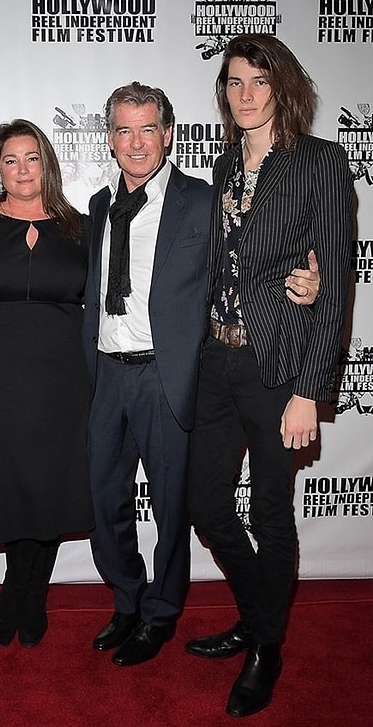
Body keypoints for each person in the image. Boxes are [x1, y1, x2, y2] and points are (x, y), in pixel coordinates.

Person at [82, 81, 321, 669]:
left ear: (168, 134)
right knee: (105, 501)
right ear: (109, 138)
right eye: (124, 130)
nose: (137, 142)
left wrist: (307, 279)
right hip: (107, 374)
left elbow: (249, 260)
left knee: (172, 509)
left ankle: (160, 614)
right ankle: (127, 600)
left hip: (167, 377)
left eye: (148, 129)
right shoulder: (98, 205)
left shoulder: (203, 199)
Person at [184, 36, 353, 717]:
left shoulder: (320, 162)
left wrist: (309, 390)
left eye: (259, 81)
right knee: (205, 504)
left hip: (277, 367)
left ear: (283, 88)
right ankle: (262, 618)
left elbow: (335, 288)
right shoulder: (224, 164)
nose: (246, 94)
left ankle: (265, 649)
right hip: (216, 360)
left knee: (270, 511)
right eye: (234, 82)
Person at [0, 119, 94, 648]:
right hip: (0, 380)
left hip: (65, 381)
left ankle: (33, 592)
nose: (23, 169)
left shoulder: (82, 227)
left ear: (47, 163)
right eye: (10, 160)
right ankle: (16, 584)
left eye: (32, 157)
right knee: (12, 483)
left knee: (52, 483)